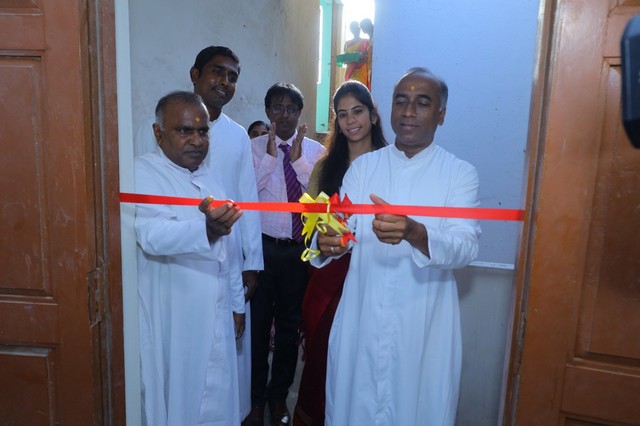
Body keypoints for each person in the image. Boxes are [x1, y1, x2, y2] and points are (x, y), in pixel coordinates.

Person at [311, 68, 482, 425]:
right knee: (354, 406)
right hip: (362, 314)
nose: (408, 111)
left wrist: (416, 233)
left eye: (422, 103)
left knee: (416, 406)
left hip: (423, 321)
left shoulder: (459, 174)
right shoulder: (363, 168)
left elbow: (466, 247)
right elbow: (341, 229)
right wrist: (328, 242)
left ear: (441, 115)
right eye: (401, 101)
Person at [135, 45, 263, 424]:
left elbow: (231, 246)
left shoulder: (212, 179)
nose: (196, 140)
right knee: (180, 397)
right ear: (158, 134)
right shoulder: (143, 173)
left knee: (219, 394)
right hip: (175, 312)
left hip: (220, 309)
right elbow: (151, 235)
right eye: (184, 131)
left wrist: (237, 304)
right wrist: (204, 230)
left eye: (202, 132)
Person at [292, 80, 387, 426]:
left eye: (358, 111)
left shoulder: (391, 165)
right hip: (330, 274)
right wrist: (326, 238)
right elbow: (311, 230)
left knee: (367, 359)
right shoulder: (325, 168)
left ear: (373, 115)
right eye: (343, 114)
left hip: (375, 272)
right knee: (324, 353)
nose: (351, 121)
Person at [247, 83, 325, 426]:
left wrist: (298, 161)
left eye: (291, 108)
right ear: (267, 112)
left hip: (298, 252)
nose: (284, 115)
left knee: (290, 330)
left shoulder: (316, 151)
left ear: (299, 113)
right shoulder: (251, 148)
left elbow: (320, 198)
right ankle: (255, 399)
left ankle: (278, 396)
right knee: (258, 328)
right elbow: (247, 194)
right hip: (262, 250)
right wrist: (270, 157)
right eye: (277, 108)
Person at [341, 21, 370, 88]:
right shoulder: (347, 43)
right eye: (353, 28)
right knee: (350, 89)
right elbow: (345, 58)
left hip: (361, 69)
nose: (356, 30)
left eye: (357, 28)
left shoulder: (365, 42)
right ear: (351, 30)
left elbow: (367, 57)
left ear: (360, 29)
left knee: (361, 90)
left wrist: (360, 58)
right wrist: (346, 60)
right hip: (350, 71)